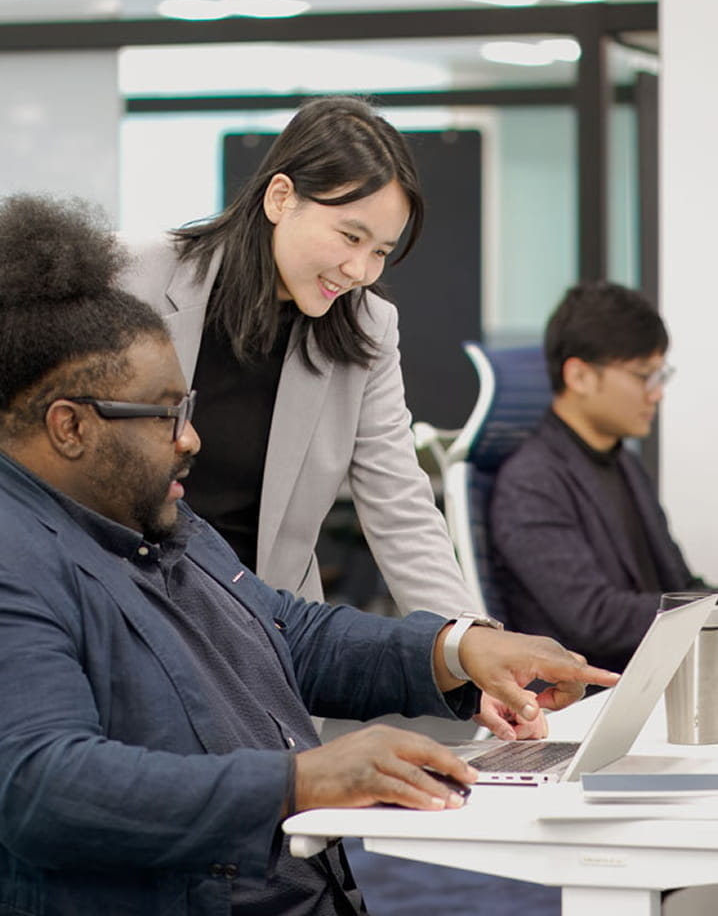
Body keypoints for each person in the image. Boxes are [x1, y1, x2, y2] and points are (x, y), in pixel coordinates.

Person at [0, 195, 619, 916]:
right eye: (167, 414)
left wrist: (457, 650)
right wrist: (297, 781)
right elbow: (41, 785)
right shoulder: (19, 557)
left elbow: (288, 634)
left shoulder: (156, 519)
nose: (191, 439)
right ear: (69, 426)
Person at [122, 94, 476, 618]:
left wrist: (468, 649)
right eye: (350, 236)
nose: (359, 269)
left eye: (379, 250)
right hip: (124, 603)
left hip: (264, 624)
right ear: (281, 198)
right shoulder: (135, 276)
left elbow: (401, 509)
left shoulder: (367, 329)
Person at [490, 281, 711, 674]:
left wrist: (706, 603)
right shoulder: (531, 482)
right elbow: (594, 618)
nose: (656, 394)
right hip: (592, 699)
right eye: (645, 376)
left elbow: (678, 582)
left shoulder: (624, 463)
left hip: (659, 677)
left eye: (661, 376)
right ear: (579, 377)